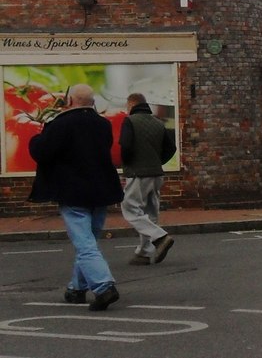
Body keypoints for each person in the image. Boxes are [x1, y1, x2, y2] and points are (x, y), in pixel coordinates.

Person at [29, 83, 123, 311]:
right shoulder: (103, 124)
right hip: (100, 191)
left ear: (69, 101)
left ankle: (103, 286)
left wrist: (35, 138)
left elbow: (42, 152)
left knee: (85, 244)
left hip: (73, 192)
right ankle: (76, 289)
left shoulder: (61, 124)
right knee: (89, 240)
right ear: (92, 102)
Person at [119, 92, 176, 266]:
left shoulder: (129, 121)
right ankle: (144, 253)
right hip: (156, 174)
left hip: (138, 173)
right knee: (150, 213)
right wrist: (158, 162)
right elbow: (171, 148)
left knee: (130, 209)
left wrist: (127, 165)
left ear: (131, 105)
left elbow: (126, 147)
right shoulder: (158, 122)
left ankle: (160, 237)